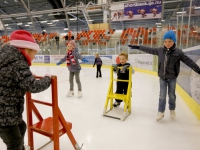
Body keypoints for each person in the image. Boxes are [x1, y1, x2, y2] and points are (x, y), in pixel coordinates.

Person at [128, 30, 200, 121]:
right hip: (162, 77)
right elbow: (149, 49)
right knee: (162, 95)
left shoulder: (178, 52)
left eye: (170, 41)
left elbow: (189, 61)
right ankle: (161, 111)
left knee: (172, 95)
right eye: (165, 41)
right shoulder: (160, 50)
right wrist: (138, 47)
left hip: (172, 78)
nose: (167, 43)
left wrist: (198, 70)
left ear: (174, 41)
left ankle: (172, 109)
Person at [0, 30, 51, 150]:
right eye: (34, 53)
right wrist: (47, 79)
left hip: (9, 110)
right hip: (5, 112)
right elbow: (33, 86)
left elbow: (12, 77)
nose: (34, 57)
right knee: (14, 143)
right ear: (27, 50)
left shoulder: (9, 58)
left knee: (22, 127)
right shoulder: (18, 62)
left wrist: (26, 76)